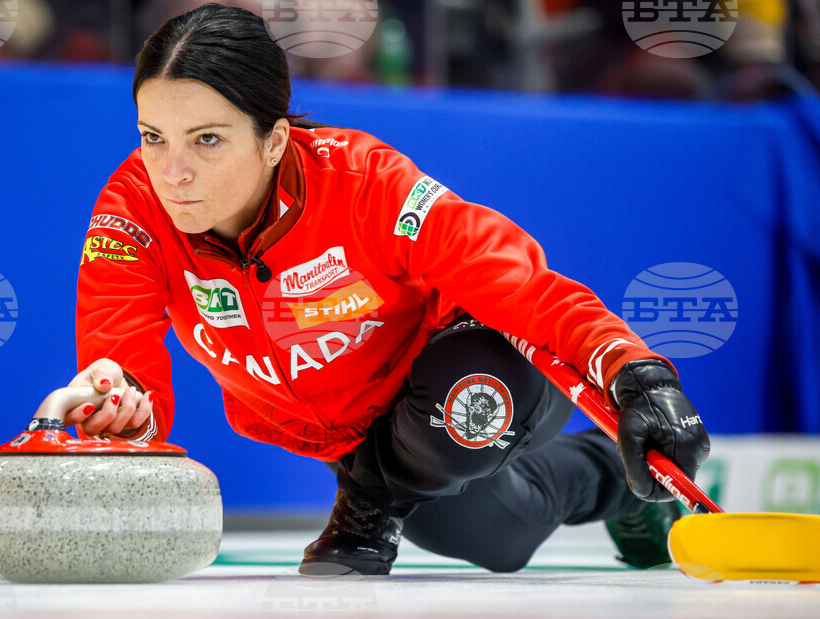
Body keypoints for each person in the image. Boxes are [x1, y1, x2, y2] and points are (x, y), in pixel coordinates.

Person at [66, 3, 711, 576]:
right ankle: (614, 482)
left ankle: (371, 501)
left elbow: (517, 280)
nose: (173, 172)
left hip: (487, 367)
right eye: (153, 137)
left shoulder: (365, 183)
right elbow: (118, 351)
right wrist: (119, 407)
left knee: (464, 405)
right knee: (496, 539)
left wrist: (639, 375)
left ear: (275, 139)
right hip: (359, 439)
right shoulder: (132, 210)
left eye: (208, 139)